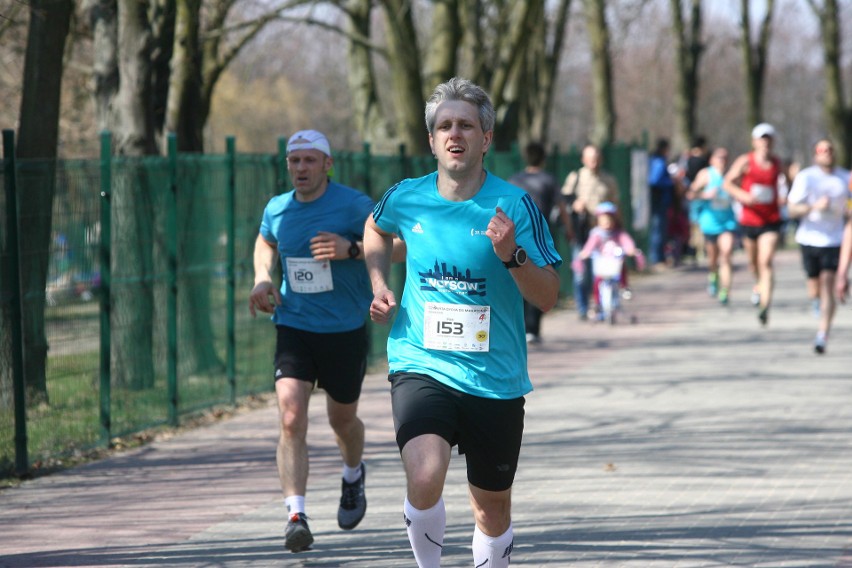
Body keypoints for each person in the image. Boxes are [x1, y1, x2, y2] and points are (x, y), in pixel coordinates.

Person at [363, 77, 561, 568]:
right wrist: (378, 284)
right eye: (445, 126)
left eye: (467, 126)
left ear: (486, 138)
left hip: (494, 379)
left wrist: (510, 254)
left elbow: (550, 296)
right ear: (431, 140)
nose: (455, 134)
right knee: (425, 474)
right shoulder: (405, 197)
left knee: (490, 509)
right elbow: (374, 227)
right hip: (420, 361)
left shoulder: (514, 206)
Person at [249, 129, 375, 553]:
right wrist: (263, 277)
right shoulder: (277, 209)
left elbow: (397, 246)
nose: (301, 168)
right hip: (295, 326)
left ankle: (354, 472)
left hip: (344, 330)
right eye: (294, 161)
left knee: (343, 421)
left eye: (309, 160)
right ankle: (295, 515)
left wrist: (350, 249)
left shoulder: (354, 205)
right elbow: (265, 241)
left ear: (327, 164)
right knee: (290, 416)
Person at [786, 139, 851, 353]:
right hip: (809, 239)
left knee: (827, 284)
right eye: (822, 150)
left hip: (834, 240)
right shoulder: (806, 177)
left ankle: (822, 334)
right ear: (816, 155)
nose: (827, 153)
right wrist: (814, 206)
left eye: (831, 149)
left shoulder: (845, 178)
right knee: (814, 288)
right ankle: (817, 303)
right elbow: (792, 209)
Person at [723, 123, 787, 326]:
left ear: (773, 142)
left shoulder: (778, 163)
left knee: (765, 261)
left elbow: (790, 183)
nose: (765, 143)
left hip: (771, 221)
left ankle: (764, 307)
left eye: (768, 139)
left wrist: (787, 197)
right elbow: (727, 183)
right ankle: (759, 285)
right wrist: (743, 195)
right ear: (754, 142)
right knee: (754, 264)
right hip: (750, 220)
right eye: (761, 139)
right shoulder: (745, 161)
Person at [508, 141, 570, 342]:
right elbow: (561, 207)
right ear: (543, 158)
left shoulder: (514, 180)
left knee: (520, 276)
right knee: (541, 277)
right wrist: (569, 230)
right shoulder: (548, 180)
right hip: (541, 238)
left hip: (516, 235)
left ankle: (523, 326)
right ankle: (533, 328)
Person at [561, 143, 620, 320]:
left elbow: (617, 205)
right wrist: (575, 205)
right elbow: (564, 201)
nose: (593, 162)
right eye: (590, 158)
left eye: (596, 158)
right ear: (583, 160)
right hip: (581, 232)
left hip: (603, 235)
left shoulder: (608, 180)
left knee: (601, 273)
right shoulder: (575, 177)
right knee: (581, 273)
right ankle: (582, 308)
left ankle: (601, 307)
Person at [572, 201, 645, 320]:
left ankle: (624, 286)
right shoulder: (596, 234)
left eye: (609, 220)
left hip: (615, 263)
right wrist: (585, 253)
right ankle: (597, 303)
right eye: (603, 220)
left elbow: (627, 242)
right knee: (597, 281)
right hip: (602, 263)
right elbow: (590, 246)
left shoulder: (618, 233)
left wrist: (631, 250)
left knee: (622, 269)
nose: (607, 223)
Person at [688, 147, 738, 305]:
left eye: (725, 157)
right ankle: (713, 274)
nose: (722, 160)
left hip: (727, 222)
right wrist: (704, 195)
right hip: (710, 223)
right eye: (719, 157)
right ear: (712, 160)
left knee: (727, 253)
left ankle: (725, 291)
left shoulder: (731, 176)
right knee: (713, 258)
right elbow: (690, 194)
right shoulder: (706, 175)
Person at [647, 138, 676, 269]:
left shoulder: (655, 160)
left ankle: (659, 257)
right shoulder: (658, 162)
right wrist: (670, 182)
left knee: (659, 229)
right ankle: (656, 259)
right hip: (659, 201)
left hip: (660, 201)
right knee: (658, 229)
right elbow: (654, 180)